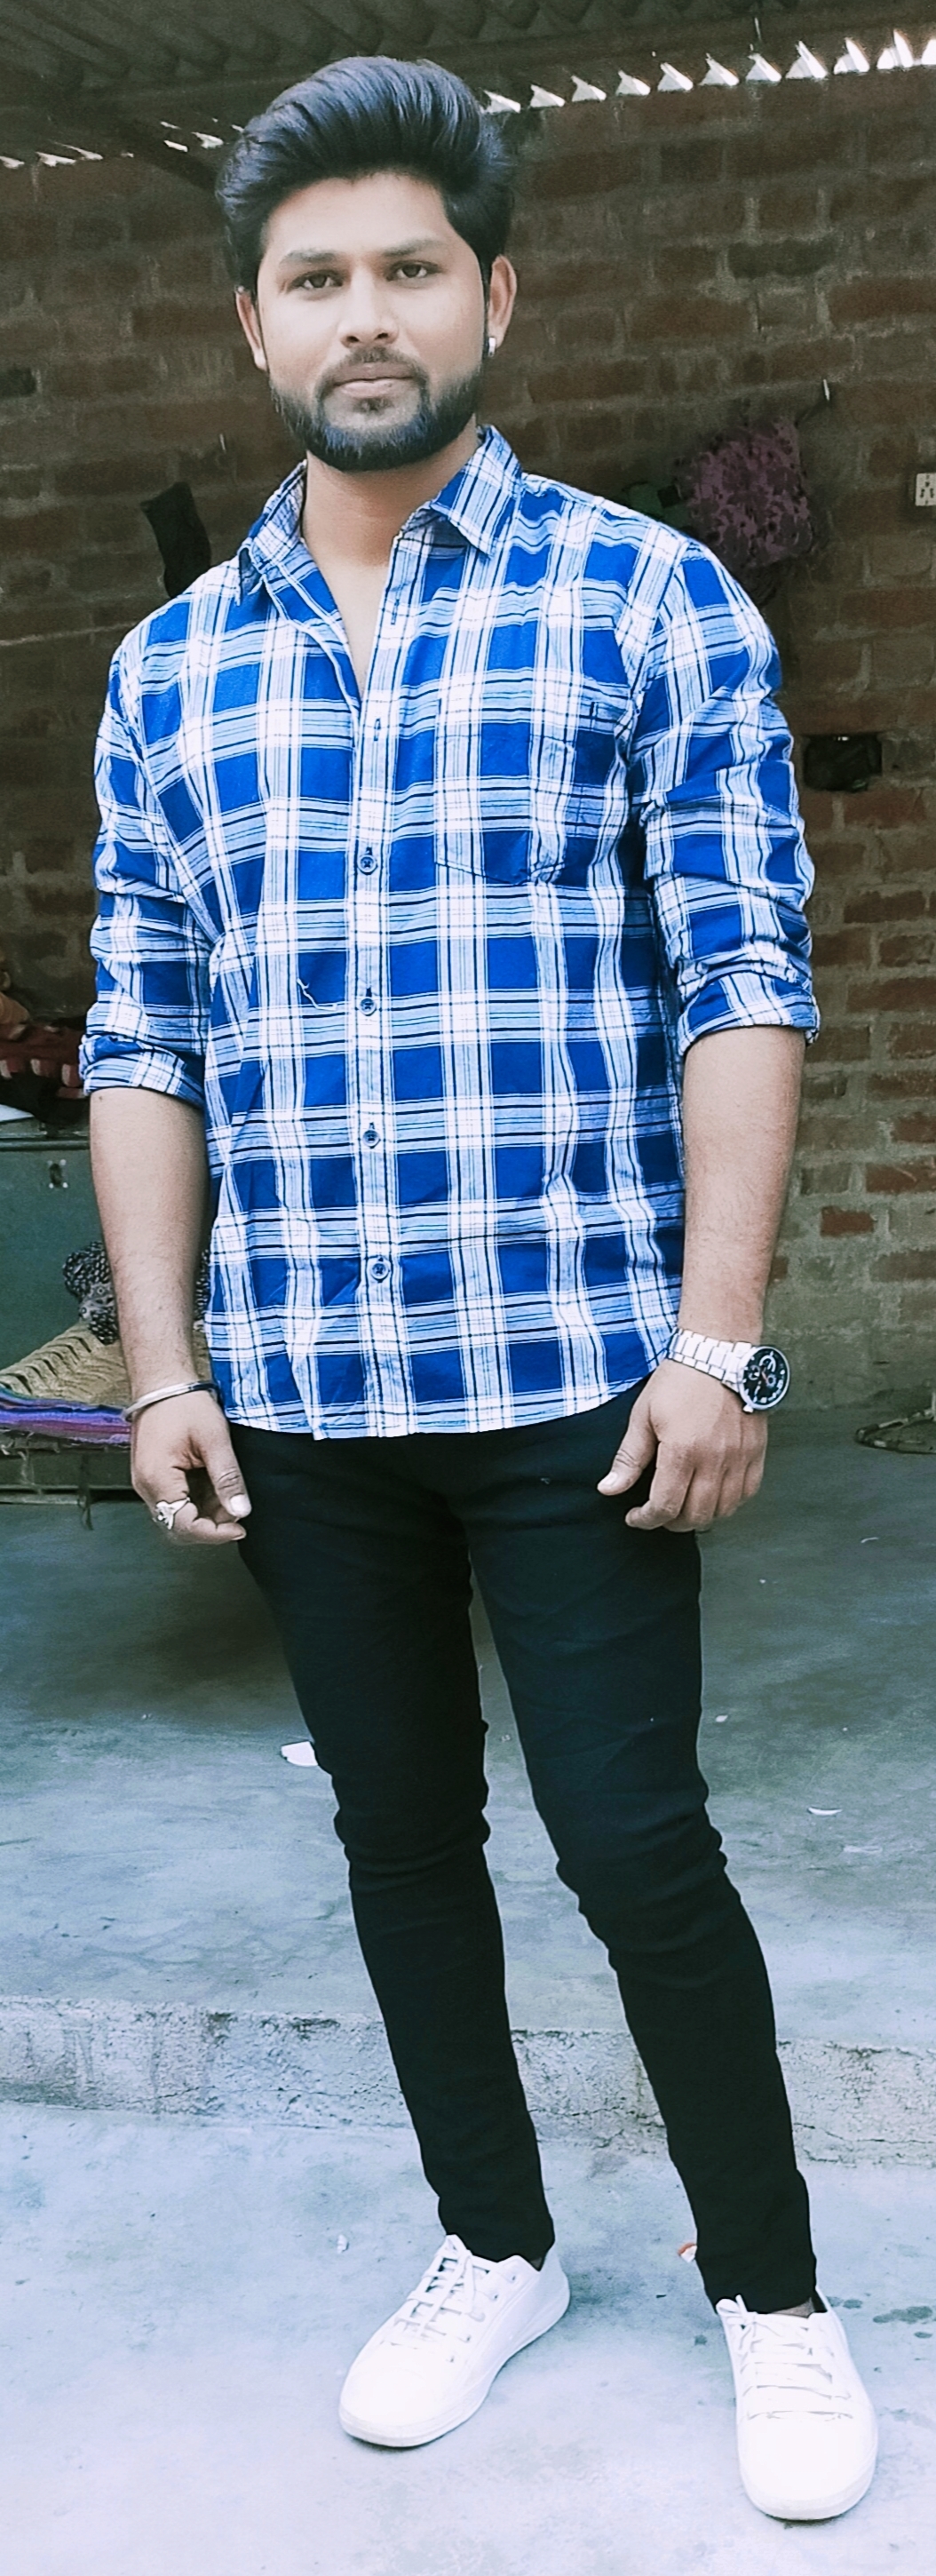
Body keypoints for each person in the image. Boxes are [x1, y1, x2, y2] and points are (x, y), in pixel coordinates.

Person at [82, 55, 877, 2521]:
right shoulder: (167, 672)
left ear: (495, 293)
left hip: (582, 1388)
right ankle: (494, 2240)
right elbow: (146, 1033)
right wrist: (163, 1368)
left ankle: (774, 2293)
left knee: (638, 1846)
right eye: (314, 275)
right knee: (404, 1845)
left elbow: (742, 977)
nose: (366, 312)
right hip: (308, 1395)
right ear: (252, 324)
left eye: (410, 265)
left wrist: (720, 1335)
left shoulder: (649, 601)